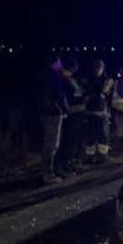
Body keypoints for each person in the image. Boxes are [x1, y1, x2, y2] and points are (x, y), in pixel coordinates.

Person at [38, 54, 70, 182]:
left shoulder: (43, 75)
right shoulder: (53, 77)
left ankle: (49, 170)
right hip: (53, 112)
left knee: (49, 143)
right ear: (55, 63)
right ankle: (48, 174)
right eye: (59, 62)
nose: (60, 65)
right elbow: (59, 95)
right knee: (52, 144)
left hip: (45, 112)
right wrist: (64, 109)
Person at [56, 55, 87, 174]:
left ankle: (70, 162)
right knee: (69, 139)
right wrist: (80, 97)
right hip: (72, 113)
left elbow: (80, 91)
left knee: (75, 139)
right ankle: (65, 164)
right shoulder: (64, 79)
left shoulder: (72, 78)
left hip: (78, 111)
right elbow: (69, 96)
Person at [84, 59, 115, 164]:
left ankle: (103, 155)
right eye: (96, 68)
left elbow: (106, 95)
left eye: (99, 68)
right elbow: (88, 93)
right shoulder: (89, 79)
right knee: (91, 135)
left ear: (102, 68)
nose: (97, 70)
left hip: (102, 111)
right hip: (91, 111)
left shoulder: (107, 80)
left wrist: (109, 110)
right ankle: (90, 156)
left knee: (103, 134)